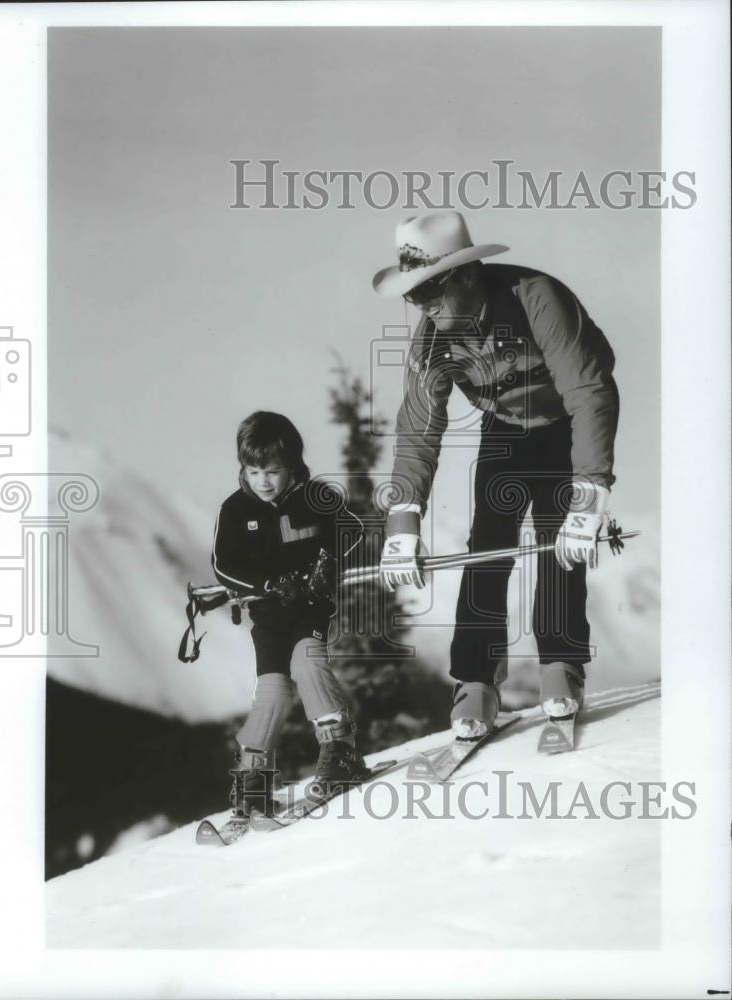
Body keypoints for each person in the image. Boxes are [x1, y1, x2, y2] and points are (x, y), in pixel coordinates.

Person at [373, 211, 619, 738]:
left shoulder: (537, 297)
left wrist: (591, 490)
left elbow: (590, 393)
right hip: (506, 427)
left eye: (430, 291)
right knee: (488, 540)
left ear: (466, 274)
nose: (422, 306)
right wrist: (401, 524)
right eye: (412, 296)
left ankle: (561, 663)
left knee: (560, 539)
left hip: (566, 420)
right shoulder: (431, 343)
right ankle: (475, 680)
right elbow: (418, 430)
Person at [212, 410, 368, 819]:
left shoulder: (317, 498)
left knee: (309, 664)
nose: (263, 480)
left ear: (292, 466)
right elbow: (223, 565)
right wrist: (266, 584)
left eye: (274, 471)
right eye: (254, 470)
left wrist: (329, 564)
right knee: (273, 692)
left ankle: (340, 753)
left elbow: (351, 533)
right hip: (268, 615)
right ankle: (252, 781)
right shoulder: (235, 510)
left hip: (309, 608)